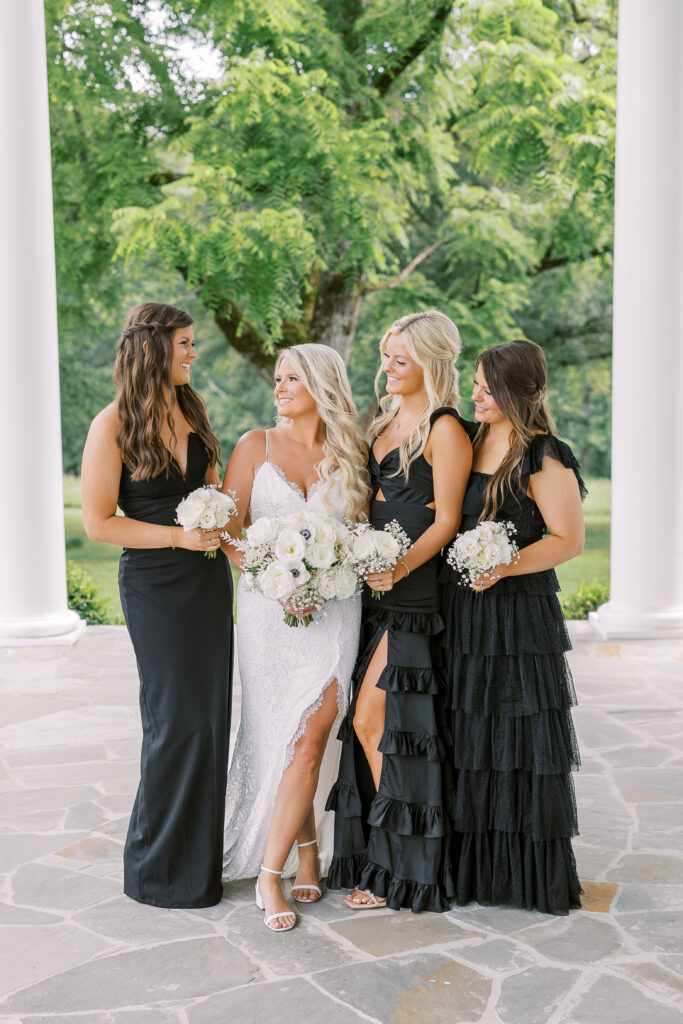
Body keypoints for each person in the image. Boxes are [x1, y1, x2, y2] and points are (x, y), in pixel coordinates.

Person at [81, 302, 233, 908]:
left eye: (194, 343)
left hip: (206, 582)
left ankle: (198, 869)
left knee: (211, 721)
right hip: (156, 587)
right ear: (153, 348)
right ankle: (155, 870)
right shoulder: (112, 424)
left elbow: (213, 489)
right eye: (186, 344)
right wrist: (177, 535)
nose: (194, 354)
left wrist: (223, 517)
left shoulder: (192, 408)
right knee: (175, 723)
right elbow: (98, 523)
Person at [326, 310, 472, 913]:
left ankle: (406, 865)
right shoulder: (383, 419)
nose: (386, 366)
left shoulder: (445, 429)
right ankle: (380, 857)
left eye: (399, 359)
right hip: (369, 592)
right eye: (385, 355)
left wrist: (400, 568)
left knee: (378, 723)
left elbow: (446, 520)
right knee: (377, 729)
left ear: (432, 363)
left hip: (411, 595)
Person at [221, 343, 370, 932]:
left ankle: (268, 874)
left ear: (321, 386)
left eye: (290, 380)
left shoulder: (352, 452)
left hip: (335, 613)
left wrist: (329, 573)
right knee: (287, 736)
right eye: (277, 379)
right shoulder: (252, 447)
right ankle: (305, 854)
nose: (278, 388)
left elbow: (358, 535)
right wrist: (271, 576)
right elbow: (230, 531)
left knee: (312, 735)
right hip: (267, 612)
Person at [441, 338, 585, 915]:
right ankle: (472, 870)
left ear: (517, 391)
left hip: (519, 619)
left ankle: (522, 877)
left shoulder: (544, 454)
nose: (475, 393)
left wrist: (504, 566)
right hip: (464, 615)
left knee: (518, 743)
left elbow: (568, 541)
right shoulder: (468, 441)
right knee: (469, 740)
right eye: (473, 382)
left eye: (486, 385)